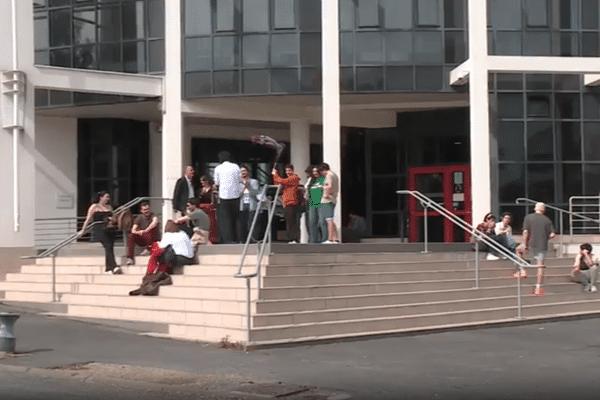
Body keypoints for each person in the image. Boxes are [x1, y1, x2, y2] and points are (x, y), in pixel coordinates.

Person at [514, 202, 556, 296]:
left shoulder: (528, 217)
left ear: (535, 208)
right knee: (540, 266)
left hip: (530, 243)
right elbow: (552, 234)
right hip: (542, 245)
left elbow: (525, 232)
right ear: (543, 210)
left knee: (518, 250)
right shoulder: (547, 220)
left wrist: (524, 243)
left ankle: (522, 270)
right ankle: (538, 287)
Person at [79, 191, 120, 274]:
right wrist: (83, 230)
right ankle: (114, 266)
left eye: (108, 197)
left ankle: (108, 268)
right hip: (99, 228)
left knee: (109, 247)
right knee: (108, 245)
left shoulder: (109, 207)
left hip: (109, 228)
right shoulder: (94, 206)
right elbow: (88, 219)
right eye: (106, 196)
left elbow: (113, 217)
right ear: (101, 197)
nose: (108, 198)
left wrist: (113, 219)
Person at [213, 151, 242, 244]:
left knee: (226, 218)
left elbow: (216, 182)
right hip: (235, 195)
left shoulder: (218, 168)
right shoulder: (236, 166)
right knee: (236, 218)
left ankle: (228, 239)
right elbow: (239, 179)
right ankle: (238, 238)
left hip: (224, 196)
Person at [272, 164, 301, 243]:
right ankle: (292, 238)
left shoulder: (294, 178)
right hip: (287, 203)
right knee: (289, 221)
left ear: (292, 170)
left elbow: (280, 181)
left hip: (291, 203)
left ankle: (293, 238)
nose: (287, 172)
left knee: (291, 222)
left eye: (289, 170)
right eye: (286, 171)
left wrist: (275, 174)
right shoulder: (290, 179)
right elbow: (277, 182)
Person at [125, 201, 160, 265]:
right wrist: (138, 232)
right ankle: (130, 258)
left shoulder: (153, 215)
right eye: (144, 210)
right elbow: (133, 230)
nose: (146, 211)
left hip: (153, 239)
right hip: (144, 238)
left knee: (152, 228)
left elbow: (154, 222)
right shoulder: (139, 218)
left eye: (148, 209)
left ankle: (148, 249)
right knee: (131, 235)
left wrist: (145, 230)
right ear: (141, 211)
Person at [318, 163, 340, 244]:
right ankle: (335, 237)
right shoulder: (334, 175)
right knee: (330, 219)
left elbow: (329, 186)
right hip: (333, 199)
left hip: (327, 200)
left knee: (329, 220)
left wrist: (325, 194)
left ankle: (330, 238)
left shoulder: (329, 176)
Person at [238, 166, 261, 242]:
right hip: (242, 204)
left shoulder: (254, 181)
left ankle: (253, 239)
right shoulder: (238, 182)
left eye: (244, 171)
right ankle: (243, 239)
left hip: (251, 204)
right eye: (241, 172)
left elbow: (255, 193)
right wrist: (243, 188)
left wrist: (248, 186)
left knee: (252, 223)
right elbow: (237, 195)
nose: (243, 173)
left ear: (248, 172)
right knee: (242, 223)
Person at [198, 175, 219, 244]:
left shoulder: (212, 189)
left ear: (207, 181)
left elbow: (214, 200)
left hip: (210, 209)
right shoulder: (200, 190)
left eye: (203, 180)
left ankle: (212, 238)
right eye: (201, 181)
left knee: (211, 224)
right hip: (202, 209)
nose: (202, 182)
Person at [307, 166, 325, 244]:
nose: (315, 173)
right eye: (313, 171)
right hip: (312, 203)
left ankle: (324, 239)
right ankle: (313, 240)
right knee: (312, 222)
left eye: (316, 171)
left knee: (322, 222)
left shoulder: (323, 179)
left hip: (321, 203)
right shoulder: (311, 180)